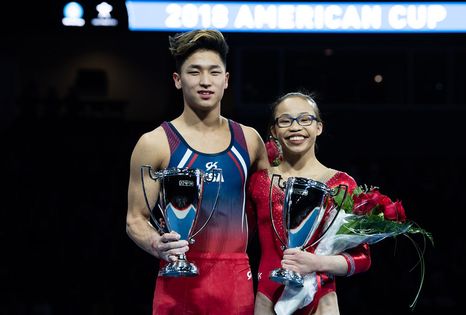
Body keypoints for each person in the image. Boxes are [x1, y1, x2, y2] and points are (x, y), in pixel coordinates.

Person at [126, 29, 269, 314]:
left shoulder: (250, 141)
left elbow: (268, 213)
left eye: (214, 72)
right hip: (178, 279)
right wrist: (158, 244)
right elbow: (135, 220)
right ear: (178, 80)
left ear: (226, 80)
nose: (205, 81)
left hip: (236, 280)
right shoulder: (155, 143)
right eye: (194, 72)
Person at [246, 92, 372, 315]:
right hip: (268, 300)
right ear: (274, 131)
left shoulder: (341, 185)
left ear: (319, 127)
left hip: (321, 302)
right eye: (285, 121)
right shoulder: (258, 182)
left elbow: (362, 259)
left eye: (305, 119)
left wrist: (315, 263)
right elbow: (238, 237)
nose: (296, 127)